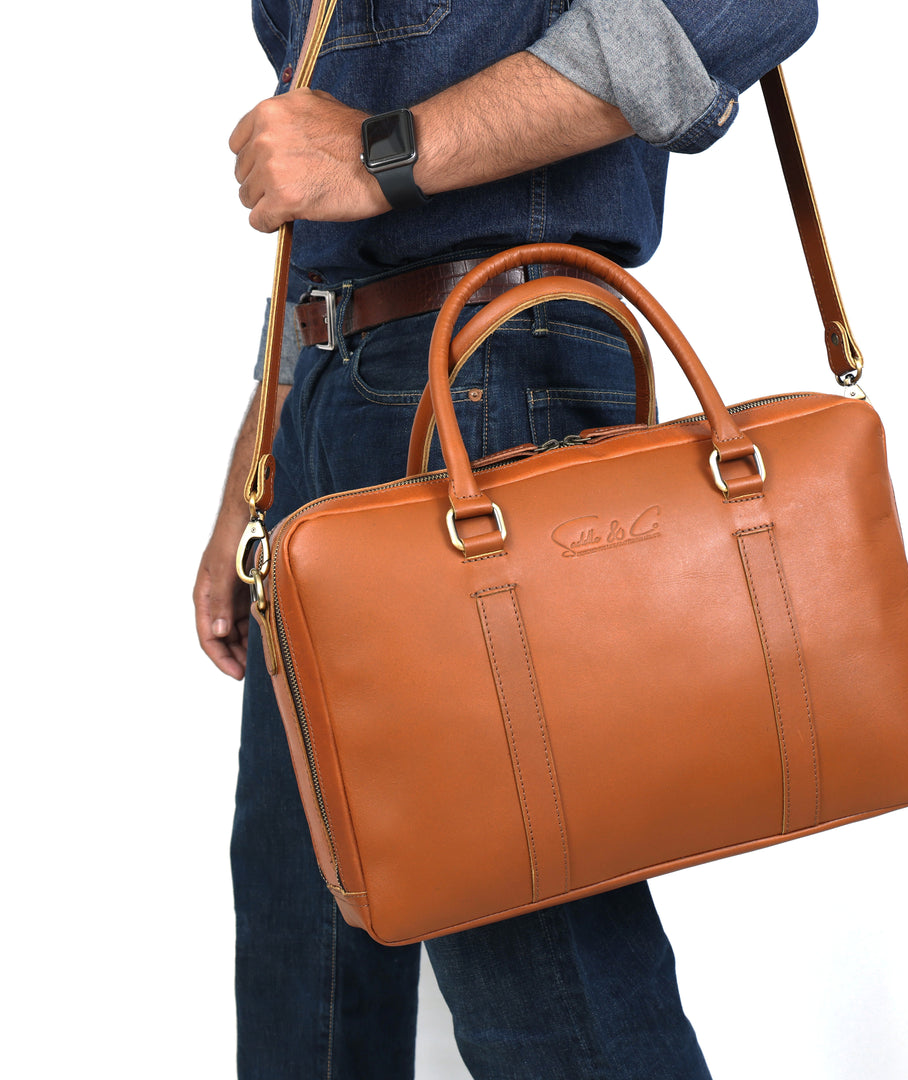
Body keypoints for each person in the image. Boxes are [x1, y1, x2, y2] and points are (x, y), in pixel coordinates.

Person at [194, 1, 818, 1075]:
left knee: (543, 975)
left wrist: (387, 153)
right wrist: (254, 469)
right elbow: (321, 218)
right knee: (308, 961)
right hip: (329, 406)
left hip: (483, 383)